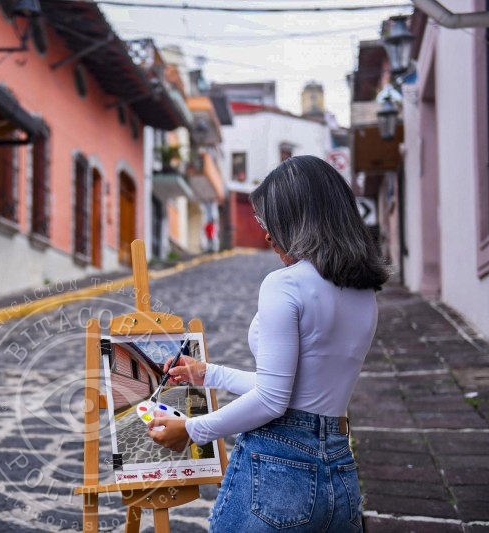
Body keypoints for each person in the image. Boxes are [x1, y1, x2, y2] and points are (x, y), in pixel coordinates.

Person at [147, 155, 390, 532]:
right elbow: (298, 394)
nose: (267, 236)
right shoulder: (364, 293)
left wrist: (191, 430)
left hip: (279, 470)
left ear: (299, 219)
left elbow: (274, 401)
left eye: (269, 222)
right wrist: (209, 374)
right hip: (338, 470)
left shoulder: (286, 284)